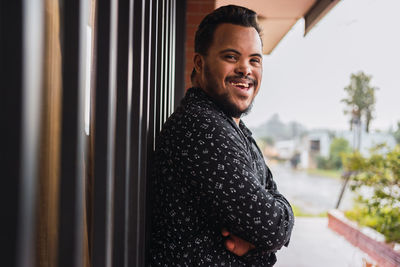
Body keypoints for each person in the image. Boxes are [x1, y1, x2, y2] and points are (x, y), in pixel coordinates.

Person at [149, 5, 294, 266]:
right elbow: (273, 228)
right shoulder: (201, 127)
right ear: (200, 63)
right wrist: (266, 240)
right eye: (231, 57)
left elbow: (272, 207)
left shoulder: (233, 127)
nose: (245, 69)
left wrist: (261, 238)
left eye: (255, 60)